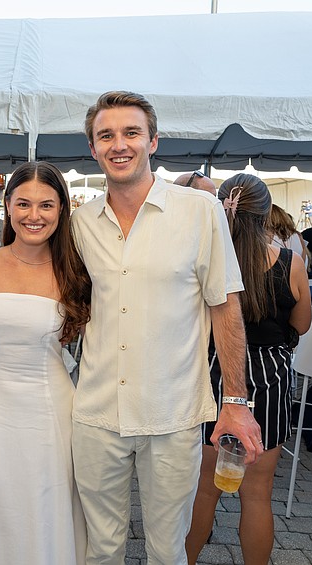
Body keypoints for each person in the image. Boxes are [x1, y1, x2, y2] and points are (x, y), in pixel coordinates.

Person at [70, 91, 263, 565]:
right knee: (100, 549)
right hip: (96, 413)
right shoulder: (79, 223)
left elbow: (225, 308)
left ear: (153, 140)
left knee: (167, 549)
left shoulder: (200, 211)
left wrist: (236, 402)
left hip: (173, 413)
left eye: (131, 132)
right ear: (93, 148)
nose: (119, 144)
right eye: (106, 135)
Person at [0, 161, 90, 565]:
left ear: (61, 210)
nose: (34, 216)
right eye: (23, 204)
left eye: (46, 206)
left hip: (52, 413)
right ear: (7, 204)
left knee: (45, 506)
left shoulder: (76, 273)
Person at [185, 174, 312, 564]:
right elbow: (302, 324)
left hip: (212, 372)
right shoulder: (289, 263)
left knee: (203, 490)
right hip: (270, 380)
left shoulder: (202, 256)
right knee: (257, 495)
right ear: (266, 213)